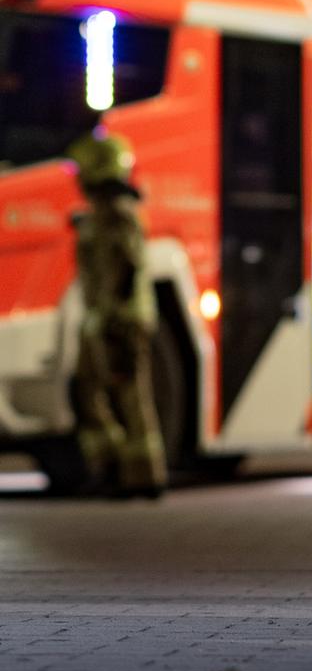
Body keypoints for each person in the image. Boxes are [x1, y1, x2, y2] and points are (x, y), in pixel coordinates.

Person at [68, 129, 168, 497]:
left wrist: (113, 317)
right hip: (103, 319)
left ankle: (145, 477)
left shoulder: (118, 214)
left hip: (120, 320)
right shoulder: (99, 214)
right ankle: (110, 466)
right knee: (87, 391)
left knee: (129, 394)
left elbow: (127, 266)